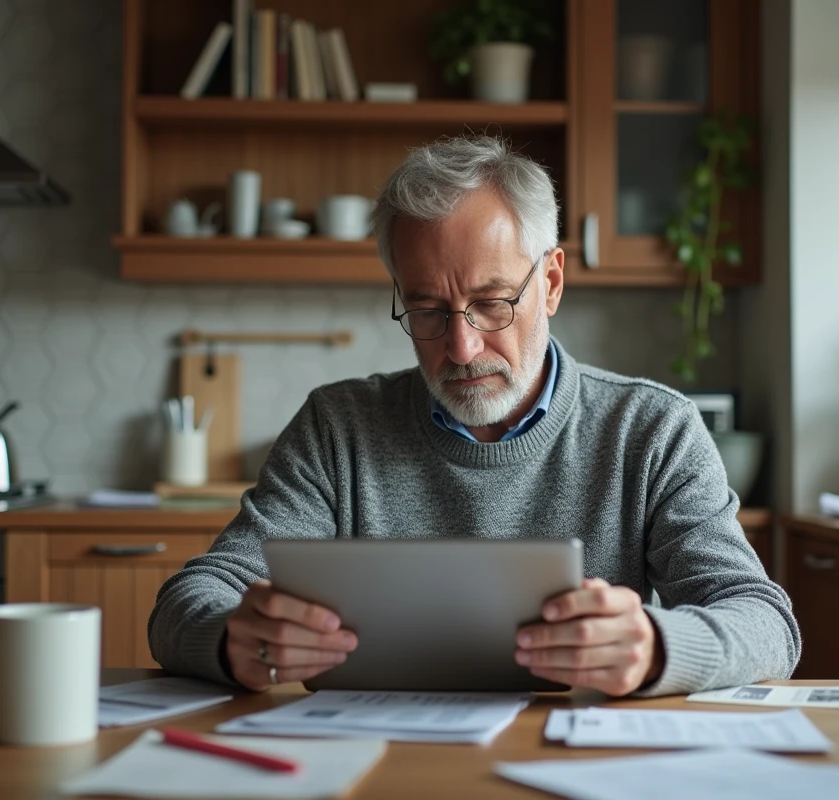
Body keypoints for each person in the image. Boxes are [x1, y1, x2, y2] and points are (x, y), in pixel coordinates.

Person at [148, 135, 800, 697]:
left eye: (492, 303)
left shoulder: (652, 429)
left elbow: (767, 622)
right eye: (428, 311)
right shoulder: (337, 427)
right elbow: (188, 601)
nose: (461, 348)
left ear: (550, 282)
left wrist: (657, 646)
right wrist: (234, 639)